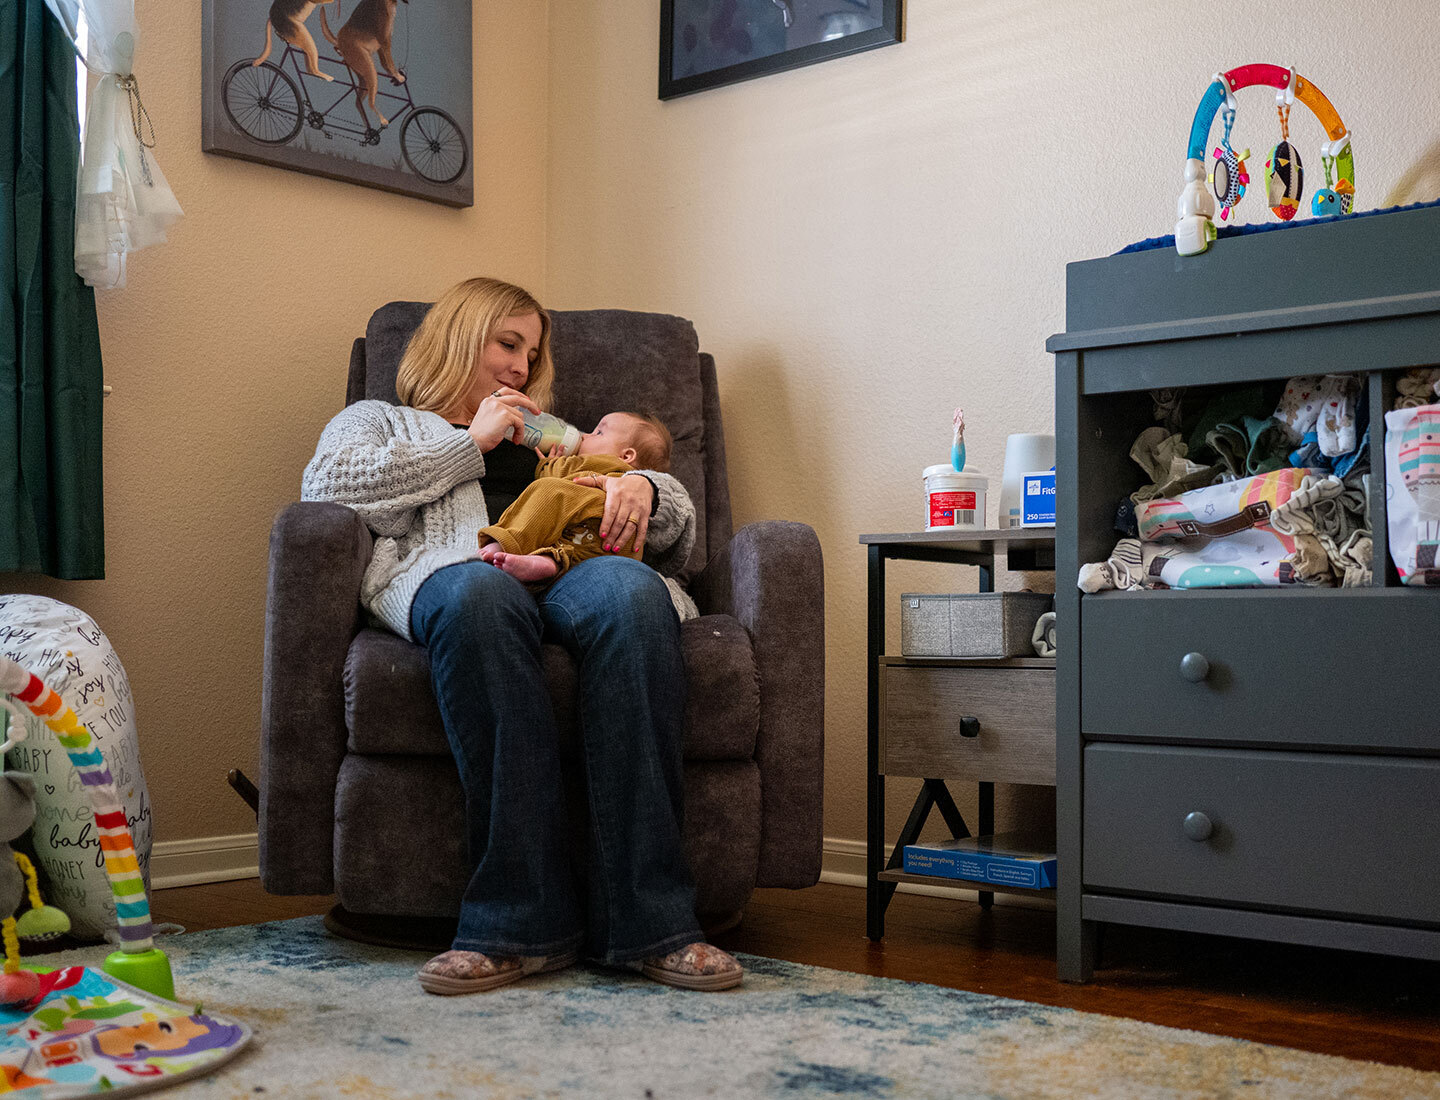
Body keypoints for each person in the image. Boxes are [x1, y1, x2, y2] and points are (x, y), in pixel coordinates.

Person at [301, 277, 742, 994]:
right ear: (457, 337)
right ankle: (514, 923)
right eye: (508, 344)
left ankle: (651, 922)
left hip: (575, 568)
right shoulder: (381, 419)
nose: (520, 367)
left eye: (530, 354)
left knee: (633, 595)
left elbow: (673, 522)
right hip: (459, 571)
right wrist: (468, 445)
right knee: (480, 594)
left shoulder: (558, 434)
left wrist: (645, 489)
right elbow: (325, 489)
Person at [477, 411, 673, 586]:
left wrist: (549, 463)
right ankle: (550, 563)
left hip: (594, 510)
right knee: (572, 548)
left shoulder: (598, 464)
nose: (584, 436)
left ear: (626, 456)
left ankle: (506, 541)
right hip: (623, 544)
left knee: (547, 490)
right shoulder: (633, 485)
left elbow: (556, 477)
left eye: (598, 433)